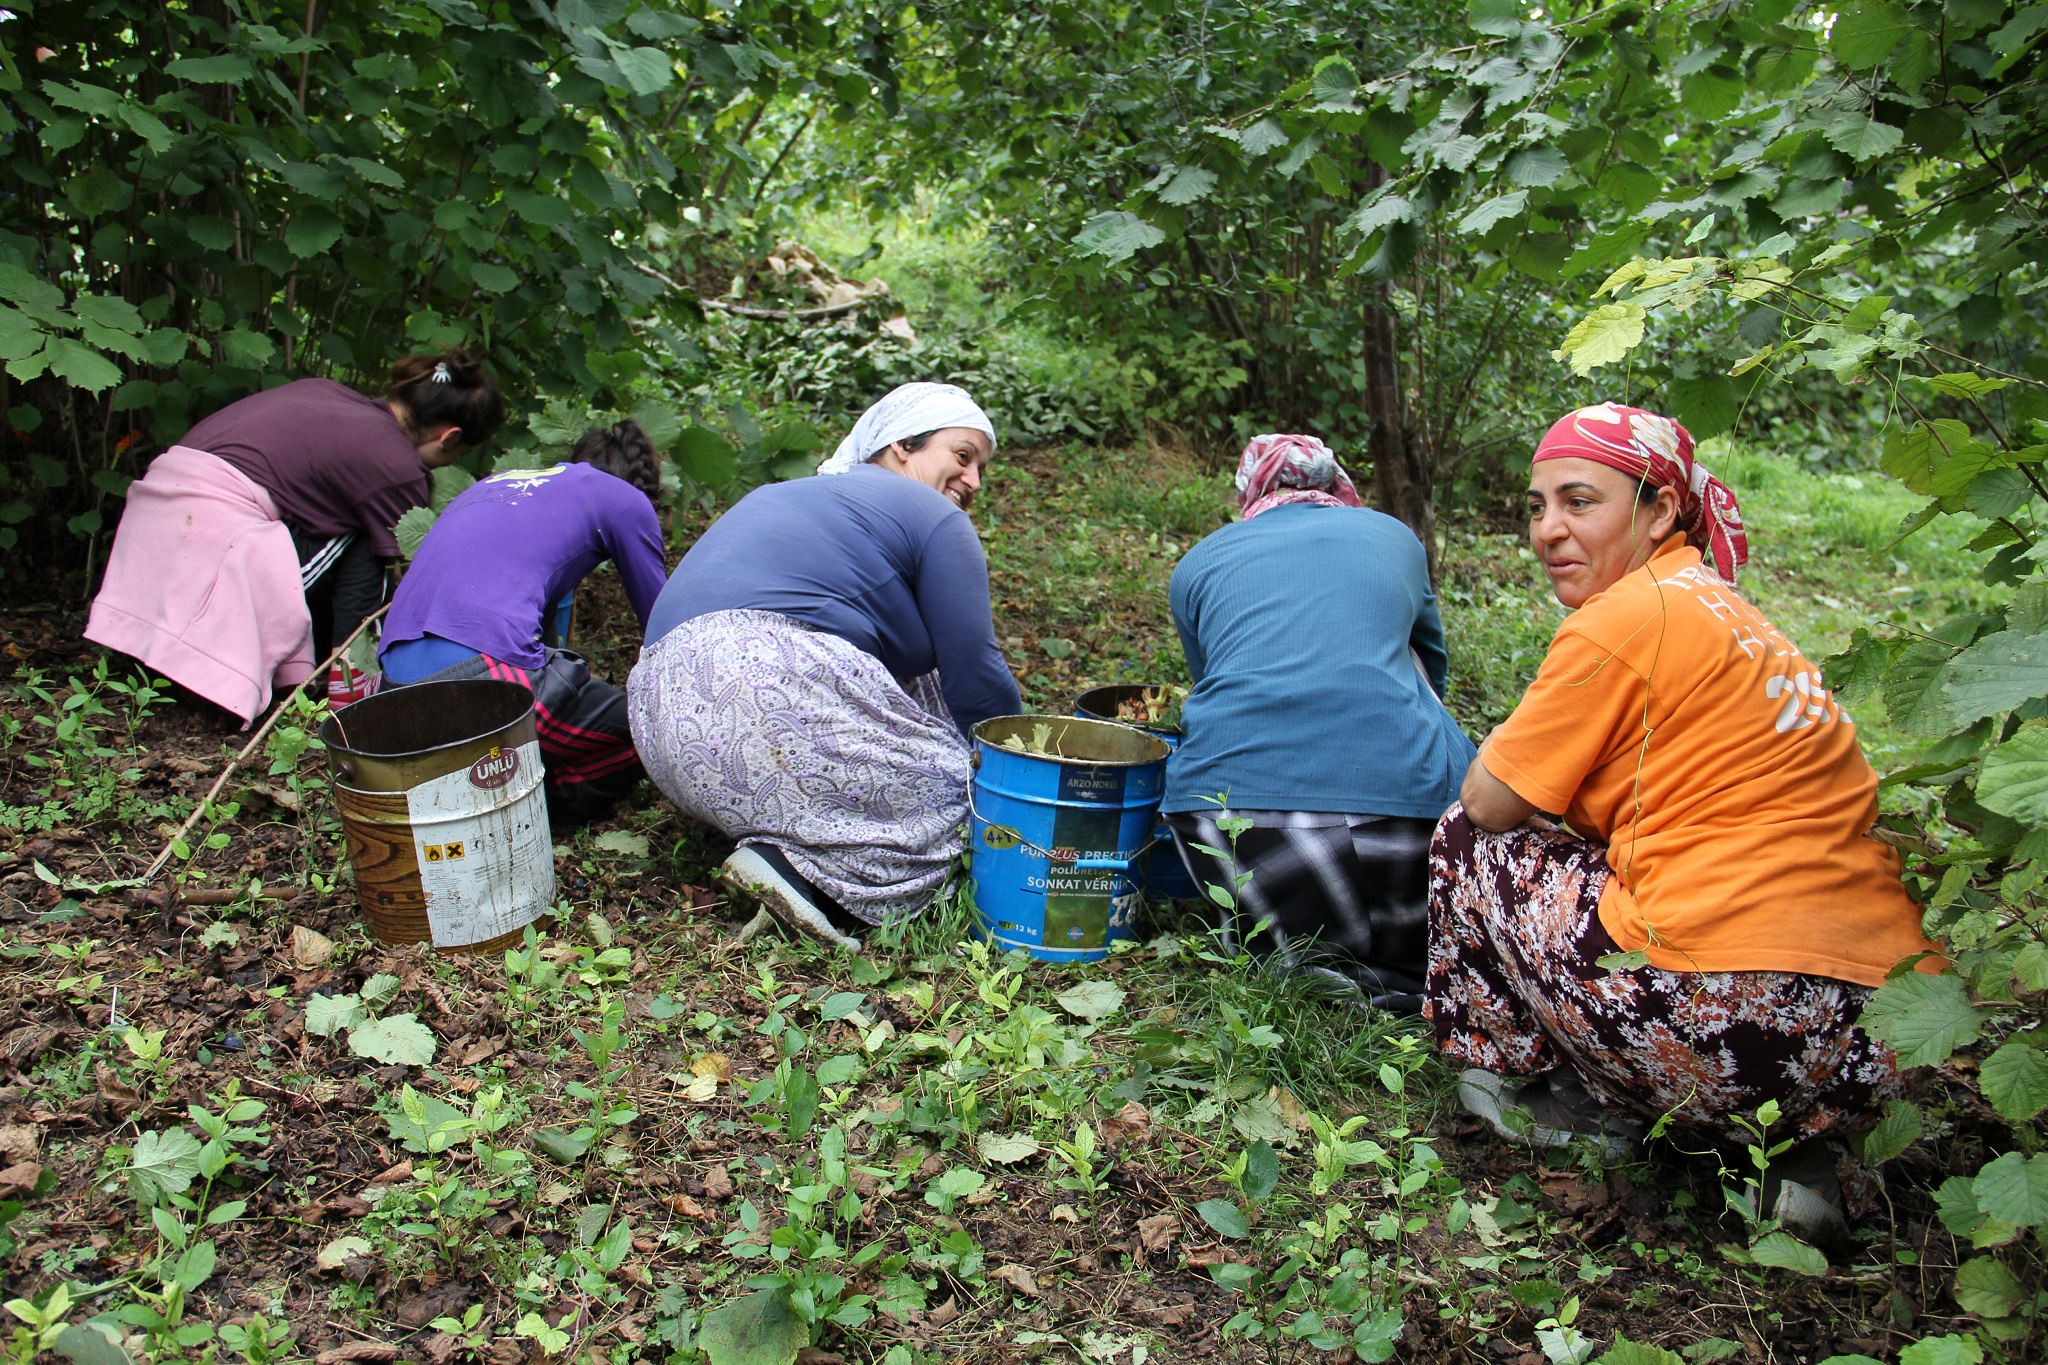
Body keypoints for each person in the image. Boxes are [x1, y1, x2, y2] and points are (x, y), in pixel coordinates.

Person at [1431, 402, 1942, 1237]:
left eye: (1579, 500)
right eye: (1536, 505)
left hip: (1728, 1009)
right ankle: (1791, 1159)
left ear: (1660, 509)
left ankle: (1537, 1087)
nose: (1548, 529)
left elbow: (1492, 800)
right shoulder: (1732, 614)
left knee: (1468, 837)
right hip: (1885, 1031)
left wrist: (1512, 733)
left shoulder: (1628, 615)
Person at [628, 382, 1021, 949]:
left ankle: (788, 841)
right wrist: (1021, 769)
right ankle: (800, 876)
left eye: (981, 467)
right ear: (902, 445)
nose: (974, 481)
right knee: (973, 808)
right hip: (760, 684)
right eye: (962, 456)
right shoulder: (934, 516)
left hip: (661, 725)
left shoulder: (793, 497)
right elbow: (978, 676)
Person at [1163, 434, 1476, 1012]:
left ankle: (1296, 960)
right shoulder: (1394, 538)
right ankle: (1399, 965)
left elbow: (1214, 678)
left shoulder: (1200, 560)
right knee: (1400, 668)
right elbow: (1430, 663)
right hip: (1406, 821)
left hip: (1232, 822)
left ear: (1250, 490)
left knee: (1284, 934)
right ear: (1336, 483)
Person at [84, 351, 504, 723]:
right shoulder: (397, 466)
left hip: (155, 514)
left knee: (342, 530)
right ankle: (348, 685)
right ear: (448, 437)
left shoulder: (323, 392)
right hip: (216, 529)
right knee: (369, 542)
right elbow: (389, 583)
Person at [377, 421, 669, 825]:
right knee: (652, 731)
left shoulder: (495, 485)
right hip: (479, 680)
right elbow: (664, 628)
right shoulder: (624, 499)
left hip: (390, 689)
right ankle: (541, 815)